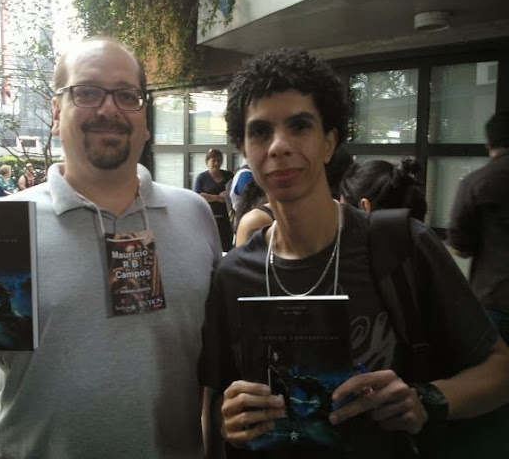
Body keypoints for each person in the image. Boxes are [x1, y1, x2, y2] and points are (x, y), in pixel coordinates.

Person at [0, 37, 221, 458]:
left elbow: (212, 365)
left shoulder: (195, 215)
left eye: (126, 95)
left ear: (144, 115)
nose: (108, 109)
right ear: (55, 111)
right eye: (86, 92)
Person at [199, 48, 509, 458]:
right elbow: (215, 410)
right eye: (259, 132)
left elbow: (499, 370)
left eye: (299, 125)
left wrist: (426, 399)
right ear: (243, 147)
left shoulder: (403, 246)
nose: (278, 146)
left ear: (329, 142)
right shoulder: (233, 274)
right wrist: (231, 423)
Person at [448, 111, 509, 344]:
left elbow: (460, 245)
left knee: (495, 373)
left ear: (489, 142)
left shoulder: (478, 182)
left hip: (497, 297)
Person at [339, 157, 428, 221]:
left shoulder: (367, 245)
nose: (340, 218)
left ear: (365, 207)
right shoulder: (422, 238)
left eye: (343, 209)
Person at [194, 148, 235, 252]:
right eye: (213, 160)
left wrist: (227, 195)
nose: (216, 163)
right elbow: (198, 195)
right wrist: (217, 198)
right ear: (207, 162)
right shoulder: (202, 177)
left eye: (219, 160)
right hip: (209, 218)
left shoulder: (228, 175)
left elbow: (236, 191)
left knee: (227, 247)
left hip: (227, 219)